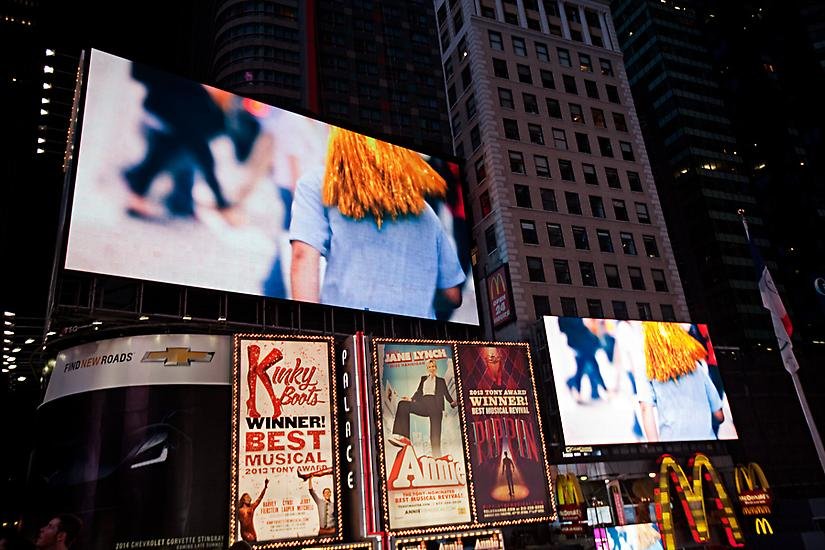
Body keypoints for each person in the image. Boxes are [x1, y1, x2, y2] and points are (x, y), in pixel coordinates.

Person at [289, 127, 465, 319]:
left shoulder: (321, 184)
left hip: (349, 335)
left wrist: (312, 332)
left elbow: (302, 257)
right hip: (417, 342)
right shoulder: (425, 212)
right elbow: (453, 295)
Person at [123, 62, 267, 226]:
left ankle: (141, 190)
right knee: (176, 154)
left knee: (170, 149)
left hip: (164, 108)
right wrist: (222, 204)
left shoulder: (209, 109)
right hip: (162, 106)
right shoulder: (207, 111)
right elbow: (205, 157)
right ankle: (143, 190)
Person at [637, 323, 724, 442]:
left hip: (672, 446)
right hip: (706, 442)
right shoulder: (696, 367)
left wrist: (656, 448)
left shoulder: (648, 370)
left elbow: (645, 409)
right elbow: (719, 417)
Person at [389, 359, 458, 456]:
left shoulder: (441, 381)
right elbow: (418, 392)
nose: (431, 369)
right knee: (403, 404)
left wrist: (452, 402)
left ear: (436, 368)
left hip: (436, 406)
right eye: (429, 367)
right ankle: (403, 437)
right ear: (427, 369)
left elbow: (446, 394)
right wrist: (411, 399)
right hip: (423, 404)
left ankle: (437, 456)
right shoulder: (423, 379)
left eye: (433, 366)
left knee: (435, 434)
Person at [557, 317, 607, 402]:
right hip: (582, 343)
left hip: (578, 343)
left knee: (583, 367)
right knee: (587, 367)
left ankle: (574, 386)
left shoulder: (565, 319)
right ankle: (602, 390)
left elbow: (563, 329)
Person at [299, 467, 336, 536]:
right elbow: (311, 491)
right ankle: (306, 476)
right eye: (325, 493)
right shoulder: (320, 502)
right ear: (323, 494)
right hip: (322, 530)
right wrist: (310, 479)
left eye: (328, 493)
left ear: (330, 494)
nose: (327, 494)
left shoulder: (334, 505)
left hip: (332, 530)